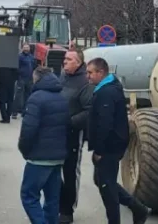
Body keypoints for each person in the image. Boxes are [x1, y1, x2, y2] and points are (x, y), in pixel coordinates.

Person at [87, 58, 149, 224]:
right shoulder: (107, 88)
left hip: (109, 146)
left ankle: (126, 215)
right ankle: (137, 208)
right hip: (112, 144)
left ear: (101, 72)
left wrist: (99, 150)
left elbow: (105, 124)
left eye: (90, 73)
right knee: (102, 181)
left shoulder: (106, 92)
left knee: (107, 187)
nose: (88, 77)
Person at [18, 66, 69, 224]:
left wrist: (24, 149)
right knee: (52, 199)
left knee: (28, 195)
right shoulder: (62, 96)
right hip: (57, 157)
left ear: (36, 79)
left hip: (39, 157)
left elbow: (28, 129)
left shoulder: (36, 98)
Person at [58, 50, 93, 224]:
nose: (65, 62)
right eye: (65, 59)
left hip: (73, 133)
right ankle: (58, 204)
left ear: (78, 62)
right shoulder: (62, 77)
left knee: (70, 172)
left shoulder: (85, 82)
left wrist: (70, 122)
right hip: (57, 132)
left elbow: (89, 111)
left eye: (69, 59)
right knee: (54, 169)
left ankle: (67, 210)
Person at [14, 43, 36, 119]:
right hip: (21, 79)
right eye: (25, 47)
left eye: (27, 47)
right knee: (18, 96)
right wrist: (20, 74)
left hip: (29, 79)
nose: (26, 49)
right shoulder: (20, 57)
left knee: (28, 96)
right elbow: (17, 67)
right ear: (22, 48)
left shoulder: (31, 57)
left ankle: (24, 112)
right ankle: (14, 112)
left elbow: (34, 67)